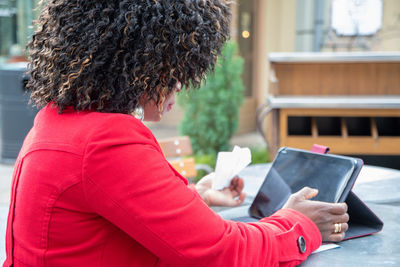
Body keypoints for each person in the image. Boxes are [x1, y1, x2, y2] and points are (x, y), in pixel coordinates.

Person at [4, 0, 349, 266]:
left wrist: (195, 198)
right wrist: (299, 225)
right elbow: (222, 253)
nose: (180, 85)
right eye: (174, 69)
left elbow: (112, 215)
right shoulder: (105, 140)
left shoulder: (60, 120)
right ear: (141, 64)